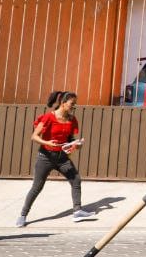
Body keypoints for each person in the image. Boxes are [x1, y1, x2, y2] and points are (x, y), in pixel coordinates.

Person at [17, 91, 94, 226]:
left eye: (74, 104)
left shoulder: (71, 120)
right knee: (37, 187)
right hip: (45, 157)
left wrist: (77, 145)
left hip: (62, 158)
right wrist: (47, 143)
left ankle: (77, 211)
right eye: (72, 104)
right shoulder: (48, 118)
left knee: (76, 180)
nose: (73, 106)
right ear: (63, 103)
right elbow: (34, 136)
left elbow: (70, 140)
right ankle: (22, 215)